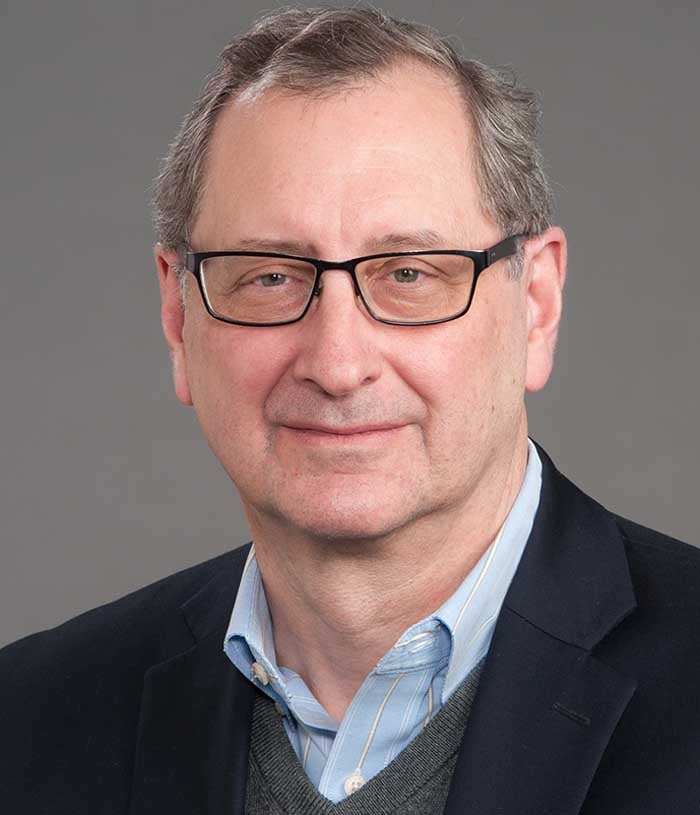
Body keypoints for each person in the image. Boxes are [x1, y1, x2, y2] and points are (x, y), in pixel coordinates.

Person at [1, 6, 698, 814]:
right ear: (178, 316)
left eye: (409, 274)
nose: (337, 363)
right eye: (268, 276)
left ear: (535, 305)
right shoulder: (31, 723)